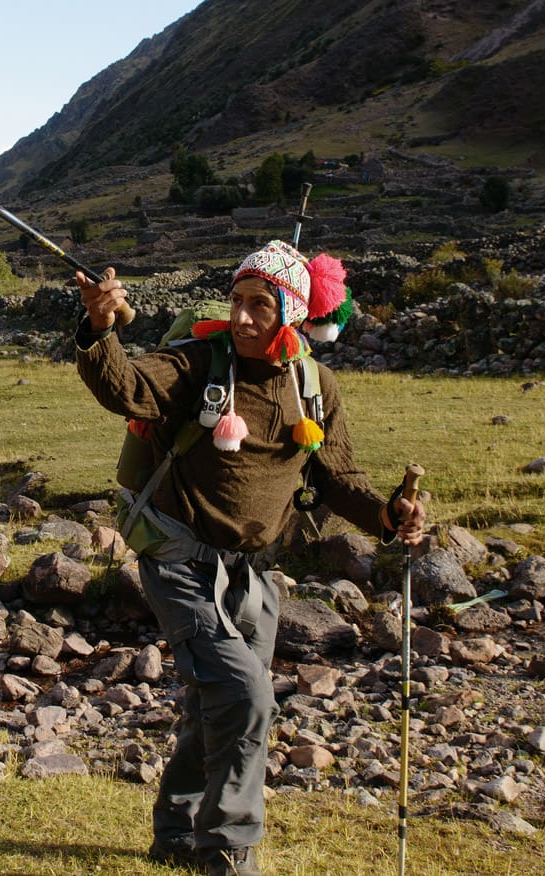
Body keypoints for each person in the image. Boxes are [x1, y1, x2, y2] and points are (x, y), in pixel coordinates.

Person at [73, 241, 427, 876]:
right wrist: (100, 327)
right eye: (236, 301)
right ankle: (230, 854)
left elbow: (340, 476)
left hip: (255, 569)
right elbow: (125, 386)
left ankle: (176, 834)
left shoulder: (313, 387)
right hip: (179, 558)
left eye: (259, 306)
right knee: (247, 694)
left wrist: (386, 515)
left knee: (221, 705)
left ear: (289, 313)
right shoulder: (196, 363)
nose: (240, 317)